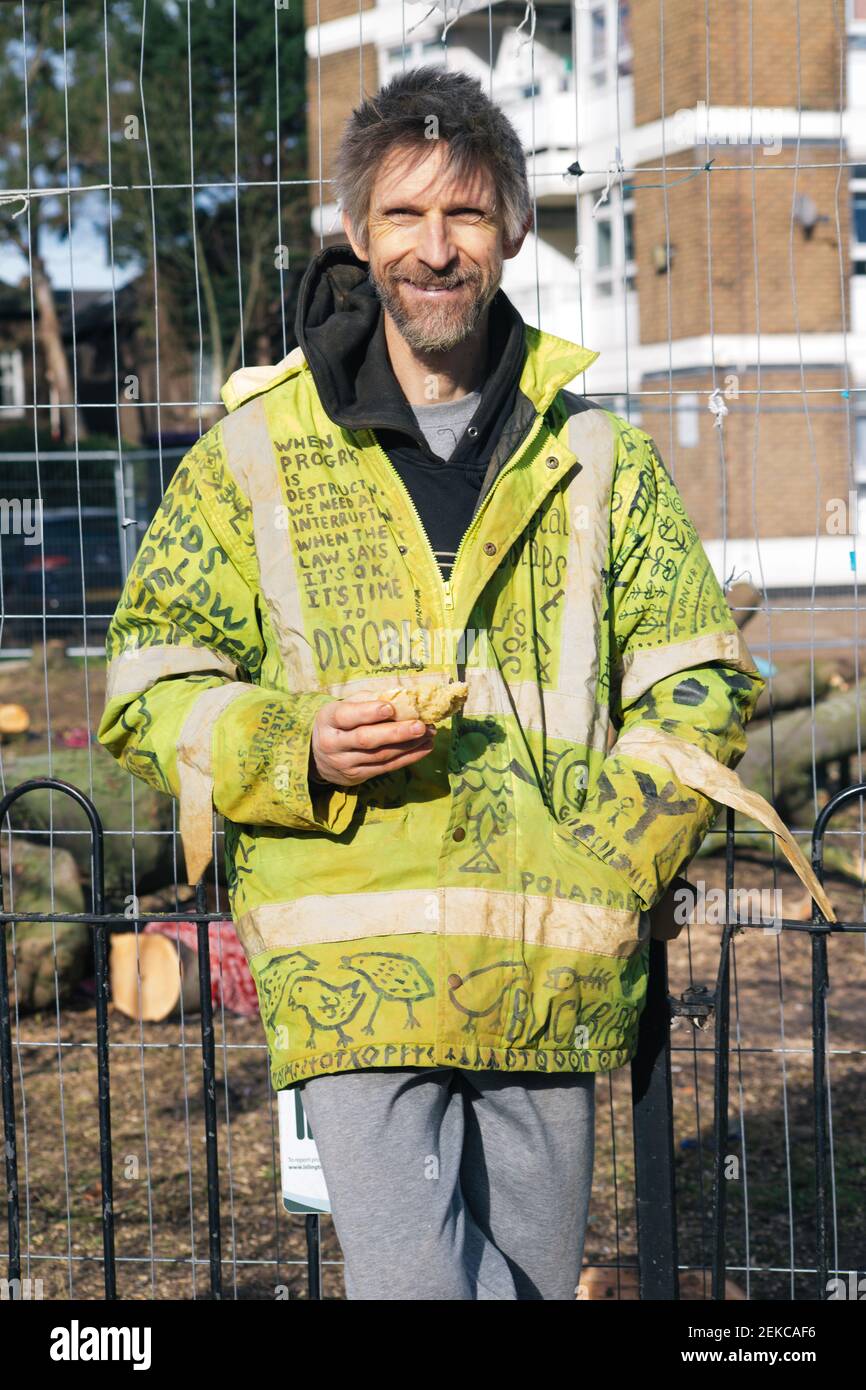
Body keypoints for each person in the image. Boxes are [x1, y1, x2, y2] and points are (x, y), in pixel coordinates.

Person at [98, 65, 812, 1300]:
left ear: (514, 233)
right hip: (354, 982)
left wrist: (607, 849)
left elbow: (696, 679)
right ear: (358, 235)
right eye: (405, 217)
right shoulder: (251, 453)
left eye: (467, 216)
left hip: (550, 957)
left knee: (529, 1285)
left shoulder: (600, 458)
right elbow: (147, 685)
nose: (436, 249)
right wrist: (296, 748)